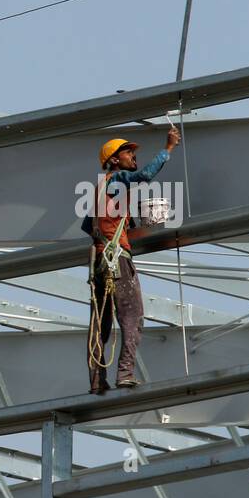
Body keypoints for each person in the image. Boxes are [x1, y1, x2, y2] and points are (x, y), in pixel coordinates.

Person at [84, 126, 180, 394]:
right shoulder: (117, 179)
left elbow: (89, 226)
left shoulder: (97, 190)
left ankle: (96, 382)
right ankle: (124, 373)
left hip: (98, 263)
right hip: (117, 261)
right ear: (114, 160)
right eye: (127, 152)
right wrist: (169, 147)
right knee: (133, 317)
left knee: (100, 324)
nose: (132, 156)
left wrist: (122, 226)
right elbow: (146, 175)